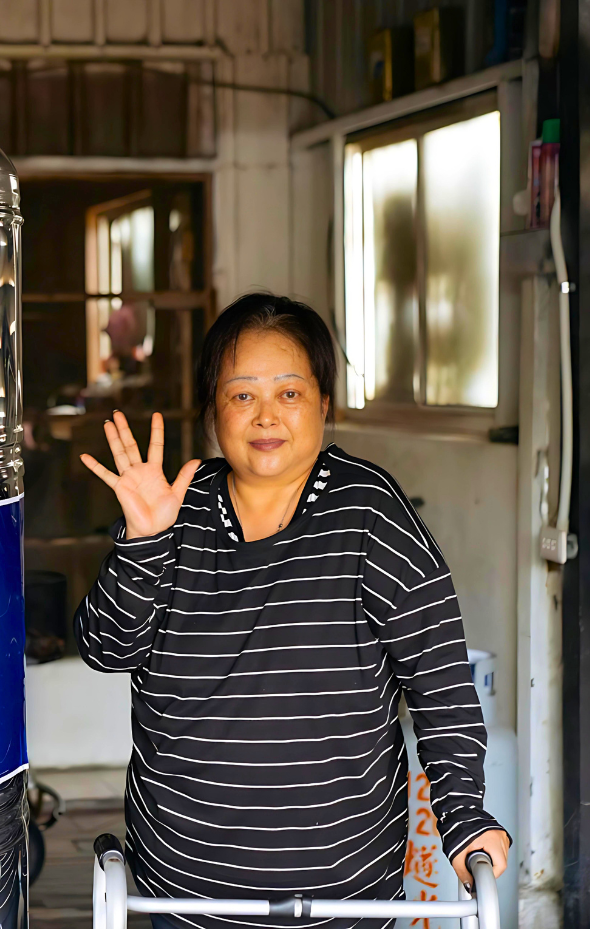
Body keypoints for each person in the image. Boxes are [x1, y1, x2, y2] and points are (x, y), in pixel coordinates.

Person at [75, 294, 509, 928]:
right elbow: (105, 650)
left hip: (344, 895)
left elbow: (439, 681)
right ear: (212, 409)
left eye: (289, 393)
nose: (265, 416)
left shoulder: (370, 514)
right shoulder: (174, 506)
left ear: (324, 403)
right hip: (185, 890)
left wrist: (464, 813)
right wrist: (144, 541)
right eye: (242, 395)